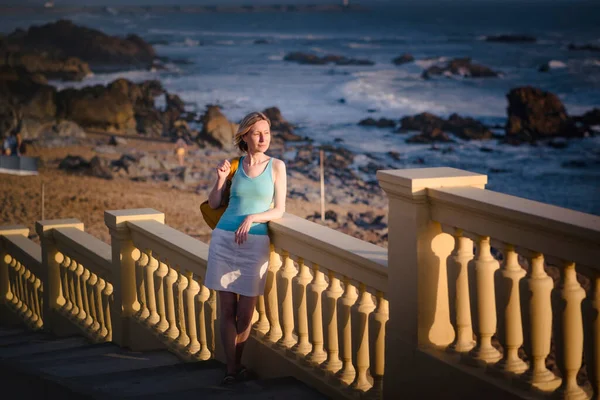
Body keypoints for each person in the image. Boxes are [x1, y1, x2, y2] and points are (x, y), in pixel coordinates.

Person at [204, 111, 287, 385]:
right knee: (227, 312)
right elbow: (215, 203)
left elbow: (279, 210)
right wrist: (219, 179)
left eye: (267, 132)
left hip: (254, 244)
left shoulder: (277, 167)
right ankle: (232, 369)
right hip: (224, 240)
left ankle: (236, 365)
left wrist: (253, 217)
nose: (263, 138)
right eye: (257, 133)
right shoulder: (234, 166)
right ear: (245, 136)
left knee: (246, 314)